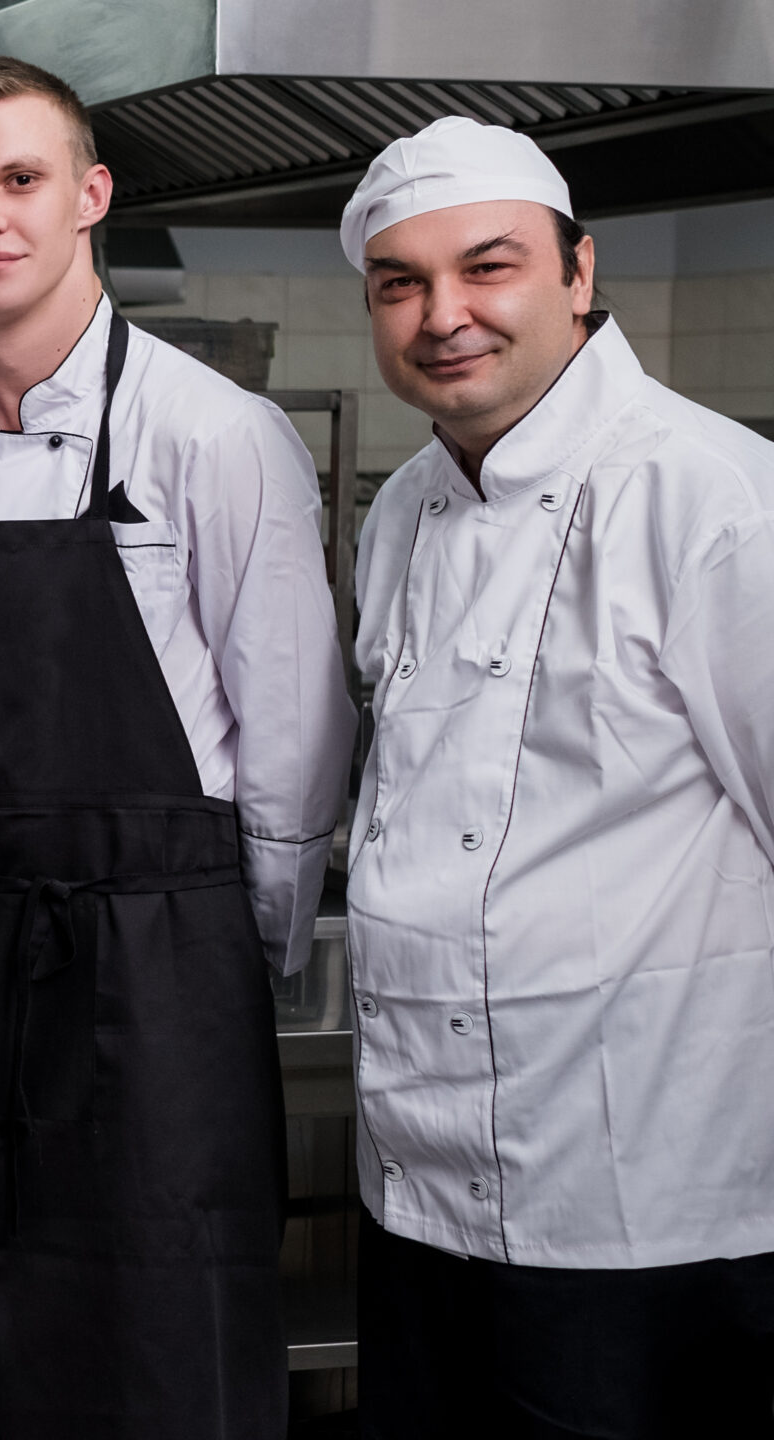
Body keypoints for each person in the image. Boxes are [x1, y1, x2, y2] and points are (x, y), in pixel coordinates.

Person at [0, 56, 353, 1437]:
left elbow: (292, 734)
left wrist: (218, 953)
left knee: (156, 1341)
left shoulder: (217, 435)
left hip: (158, 967)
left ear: (92, 196)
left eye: (19, 180)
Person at [343, 115, 774, 1436]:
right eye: (401, 284)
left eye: (489, 268)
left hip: (641, 1200)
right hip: (419, 1186)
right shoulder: (403, 507)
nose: (444, 316)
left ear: (578, 273)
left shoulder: (713, 499)